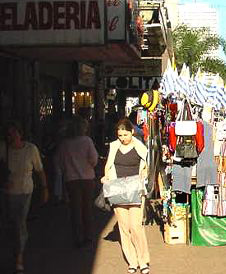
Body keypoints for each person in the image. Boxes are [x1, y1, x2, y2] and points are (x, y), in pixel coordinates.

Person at [101, 118, 150, 274]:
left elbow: (147, 167)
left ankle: (143, 260)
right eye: (120, 135)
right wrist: (105, 177)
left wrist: (144, 175)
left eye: (125, 135)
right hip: (118, 190)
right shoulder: (114, 146)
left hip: (135, 190)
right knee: (124, 227)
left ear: (132, 132)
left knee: (136, 227)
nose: (122, 138)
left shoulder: (140, 147)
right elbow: (108, 166)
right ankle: (132, 261)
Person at [1, 120, 48, 273]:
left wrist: (44, 188)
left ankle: (19, 257)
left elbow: (39, 170)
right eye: (8, 134)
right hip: (7, 193)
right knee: (13, 224)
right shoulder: (3, 149)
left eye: (14, 132)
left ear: (20, 133)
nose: (11, 136)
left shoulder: (30, 149)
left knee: (19, 223)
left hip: (25, 192)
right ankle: (16, 249)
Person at [57, 115, 98, 248]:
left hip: (71, 179)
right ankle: (88, 235)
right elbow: (94, 159)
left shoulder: (65, 143)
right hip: (87, 178)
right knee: (87, 208)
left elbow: (60, 162)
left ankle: (77, 236)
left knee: (75, 209)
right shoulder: (87, 141)